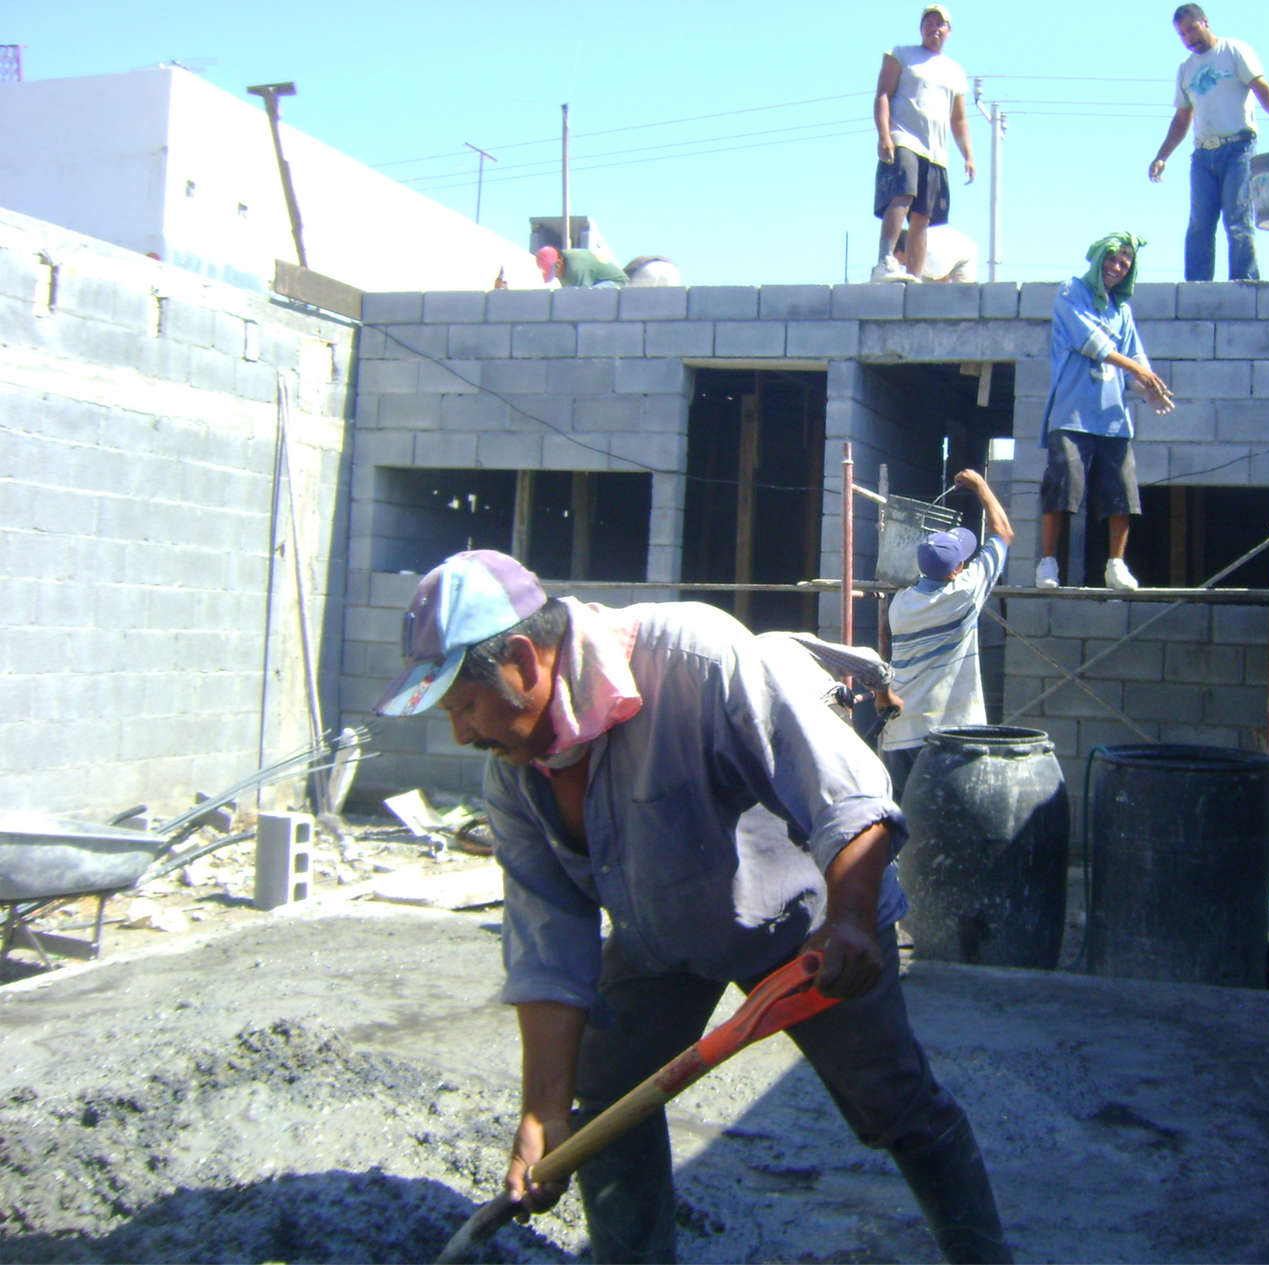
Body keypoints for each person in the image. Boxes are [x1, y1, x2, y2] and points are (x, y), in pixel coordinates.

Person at [373, 550, 1011, 1264]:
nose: (461, 731)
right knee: (603, 1103)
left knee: (897, 1103)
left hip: (809, 926)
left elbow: (847, 795)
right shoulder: (515, 778)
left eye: (462, 703)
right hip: (665, 936)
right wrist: (541, 1110)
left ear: (522, 658)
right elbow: (548, 943)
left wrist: (854, 919)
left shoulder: (696, 659)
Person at [1035, 233, 1174, 592]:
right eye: (1112, 260)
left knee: (1121, 492)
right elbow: (1091, 343)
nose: (1116, 268)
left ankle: (1116, 565)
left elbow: (1136, 362)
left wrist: (1149, 389)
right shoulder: (1071, 292)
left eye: (1124, 265)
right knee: (1062, 484)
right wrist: (1137, 369)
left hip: (1112, 420)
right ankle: (1048, 563)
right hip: (1071, 414)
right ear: (1098, 259)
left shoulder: (1122, 312)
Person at [877, 469, 1011, 798]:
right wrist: (981, 486)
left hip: (902, 731)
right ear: (956, 571)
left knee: (904, 827)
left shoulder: (900, 605)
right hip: (950, 736)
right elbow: (1004, 533)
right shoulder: (964, 594)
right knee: (949, 823)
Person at [1147, 4, 1269, 282]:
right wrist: (1162, 156)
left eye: (1192, 29)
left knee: (1237, 219)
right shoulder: (1186, 69)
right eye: (1182, 34)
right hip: (1203, 154)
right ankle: (1197, 286)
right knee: (1200, 225)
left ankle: (1245, 283)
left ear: (1205, 22)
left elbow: (1260, 86)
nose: (1189, 37)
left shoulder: (1233, 51)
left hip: (1238, 147)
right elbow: (1182, 116)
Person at [871, 4, 976, 283]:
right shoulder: (901, 55)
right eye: (929, 23)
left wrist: (968, 155)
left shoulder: (955, 71)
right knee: (903, 195)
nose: (934, 28)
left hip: (936, 152)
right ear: (922, 28)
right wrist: (884, 135)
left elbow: (959, 120)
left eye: (940, 24)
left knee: (922, 216)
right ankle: (885, 260)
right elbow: (883, 94)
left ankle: (913, 279)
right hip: (904, 137)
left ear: (949, 31)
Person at [892, 224, 979, 283]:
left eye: (902, 262)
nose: (903, 265)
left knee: (964, 296)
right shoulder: (920, 254)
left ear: (907, 251)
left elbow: (942, 278)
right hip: (942, 257)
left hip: (963, 254)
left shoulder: (930, 257)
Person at [535, 244, 629, 288]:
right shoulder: (560, 269)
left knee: (592, 294)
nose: (554, 275)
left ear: (559, 263)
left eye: (552, 272)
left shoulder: (577, 269)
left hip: (617, 283)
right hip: (595, 281)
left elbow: (583, 297)